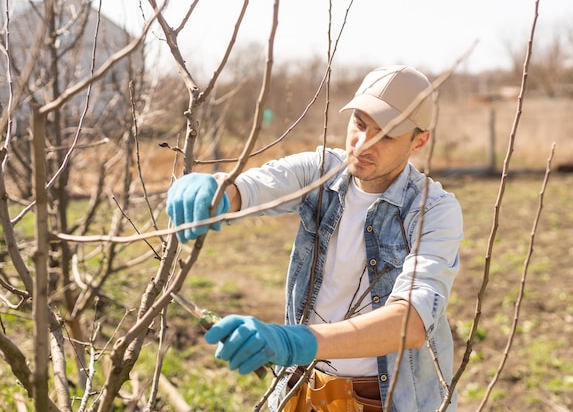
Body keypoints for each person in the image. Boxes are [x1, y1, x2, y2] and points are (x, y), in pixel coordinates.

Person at [166, 65, 463, 412]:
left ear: (419, 140)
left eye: (386, 135)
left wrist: (293, 342)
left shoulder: (433, 210)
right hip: (303, 390)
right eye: (360, 124)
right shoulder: (323, 172)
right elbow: (256, 186)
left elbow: (410, 321)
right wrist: (215, 191)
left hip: (383, 400)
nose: (364, 143)